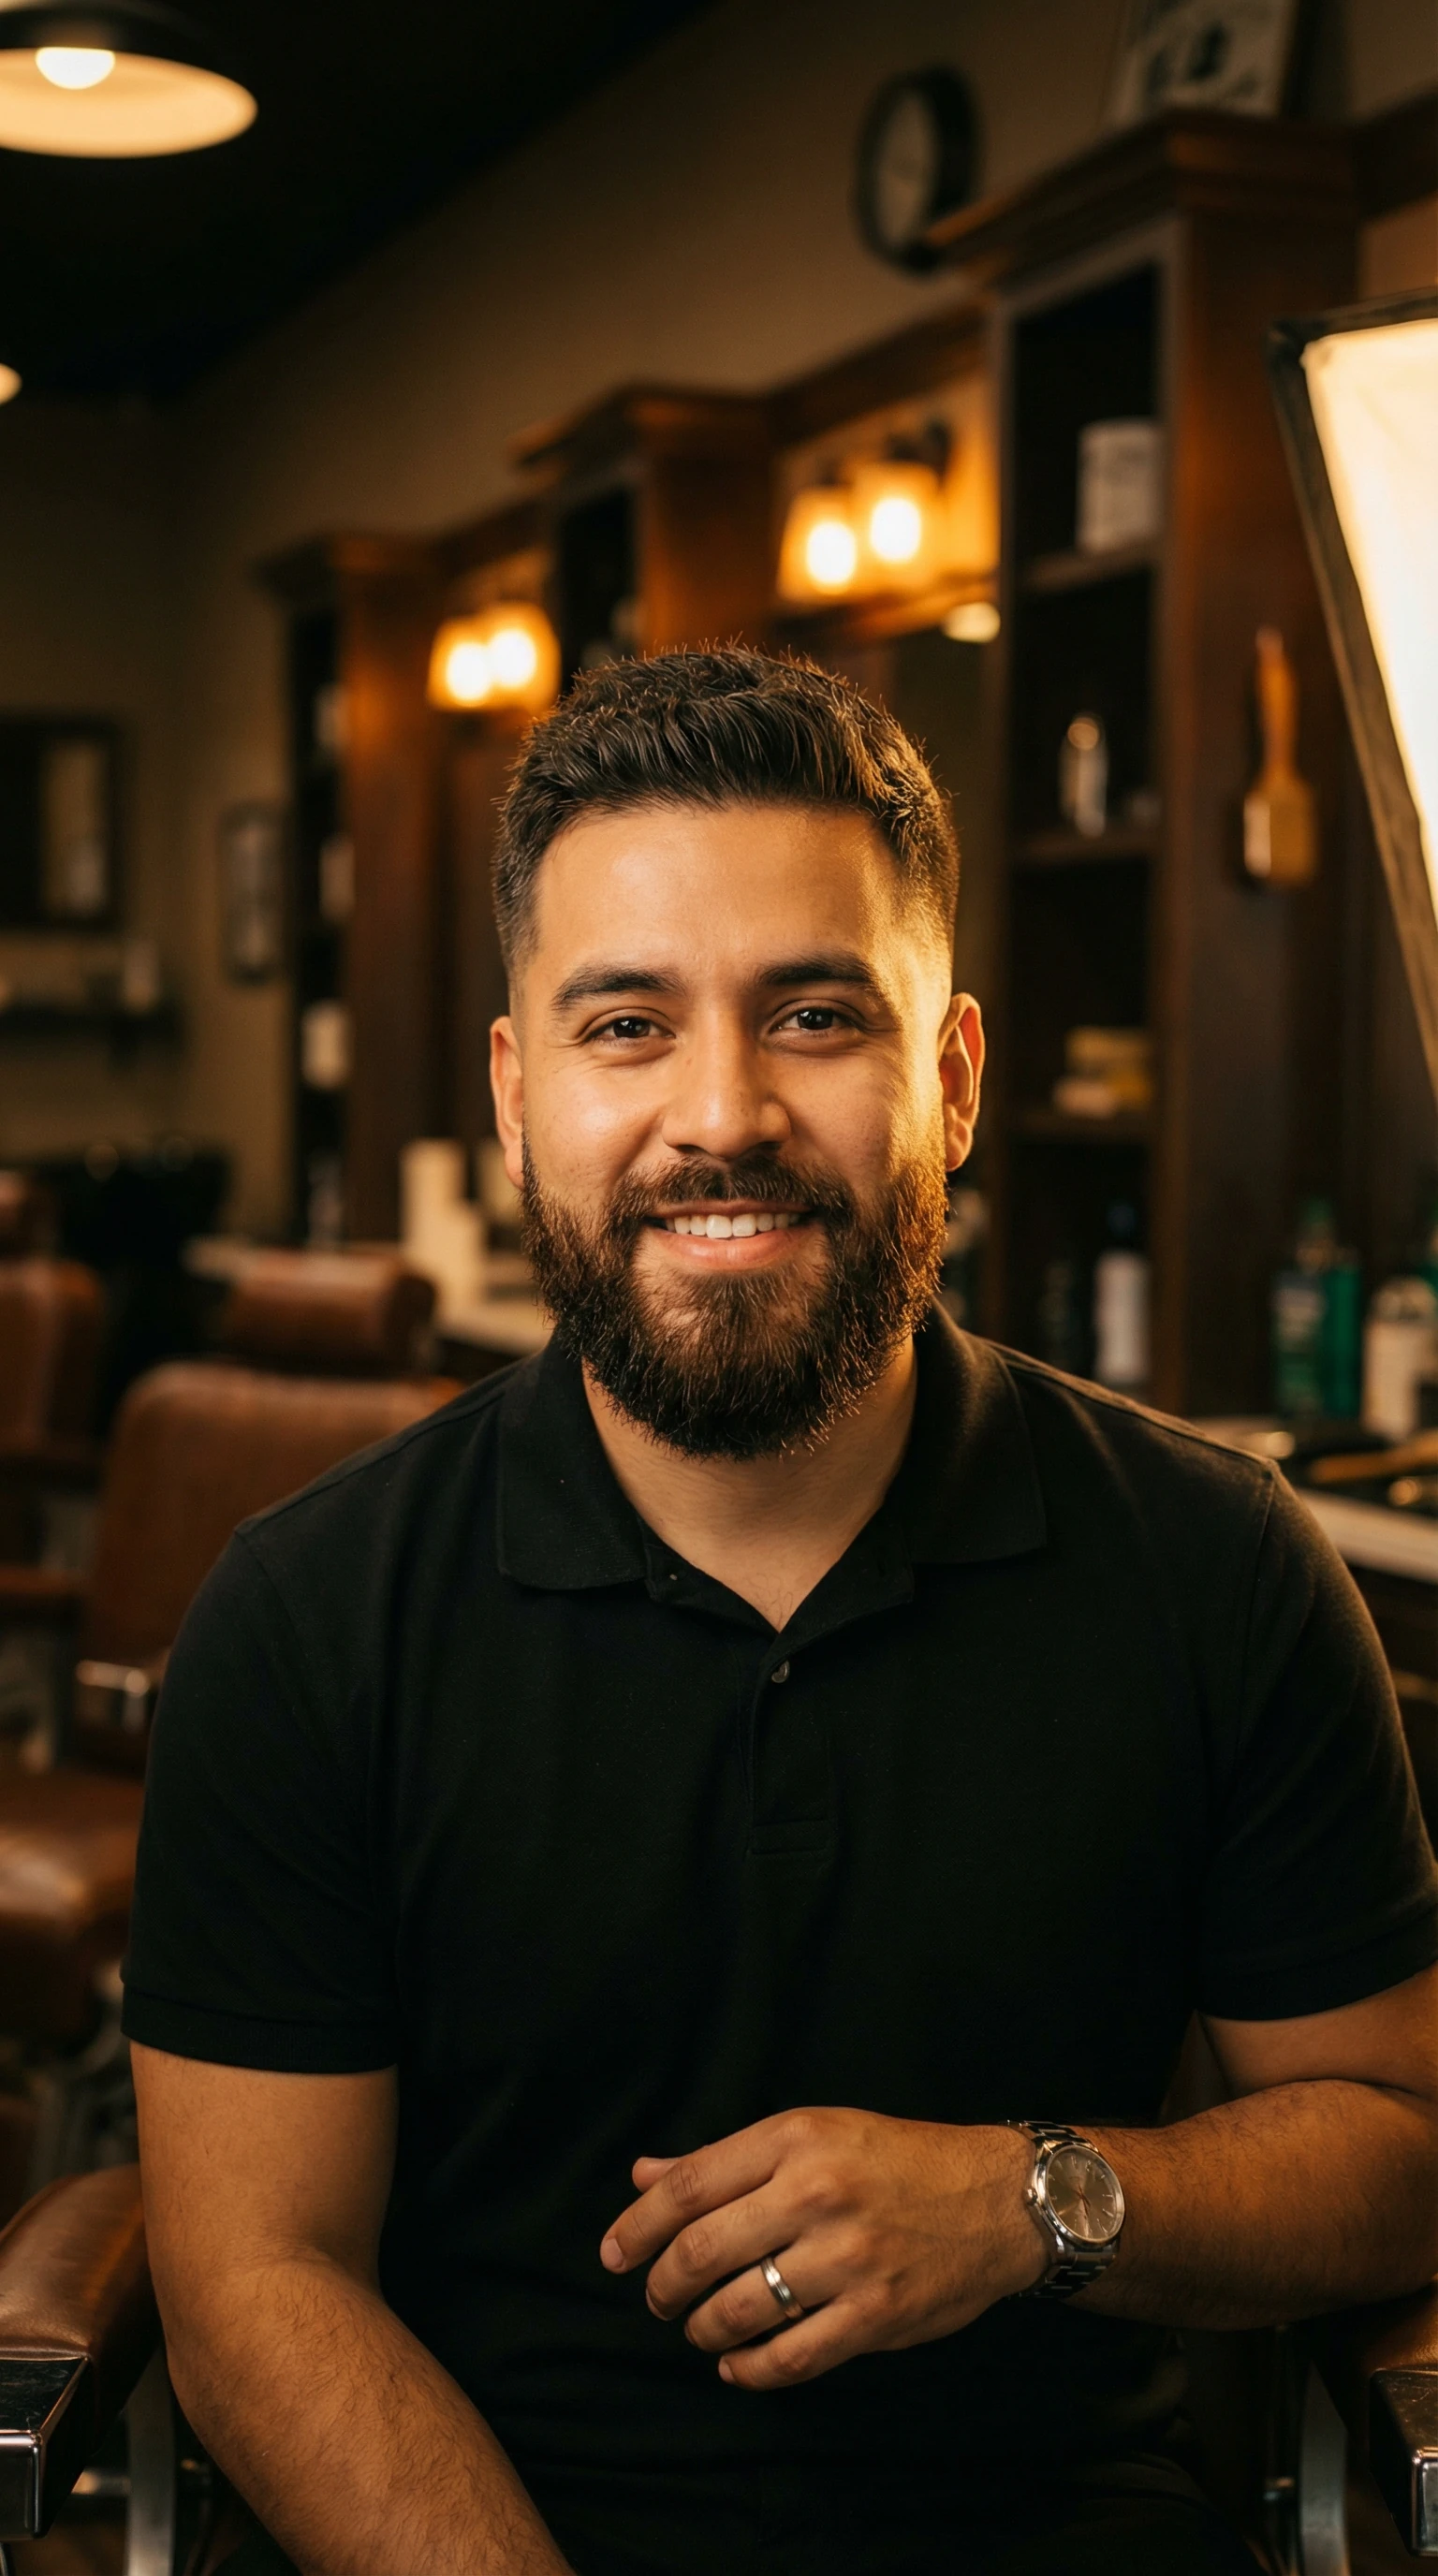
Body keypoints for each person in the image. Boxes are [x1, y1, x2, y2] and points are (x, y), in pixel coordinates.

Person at [125, 649, 1438, 2576]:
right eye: (626, 1025)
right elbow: (255, 2275)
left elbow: (1405, 2147)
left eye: (815, 1012)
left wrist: (1033, 2198)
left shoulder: (1221, 1570)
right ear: (516, 1093)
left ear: (957, 1077)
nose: (719, 1113)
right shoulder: (313, 1618)